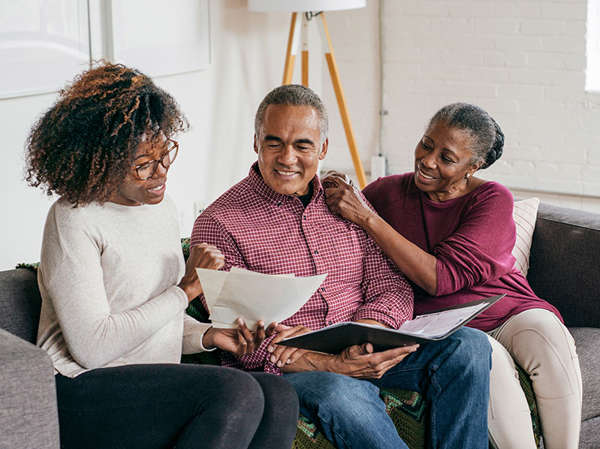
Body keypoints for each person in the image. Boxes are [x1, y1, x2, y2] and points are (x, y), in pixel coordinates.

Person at [191, 84, 492, 449]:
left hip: (362, 345)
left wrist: (365, 334)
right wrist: (331, 363)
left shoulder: (347, 204)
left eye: (302, 145)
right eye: (274, 142)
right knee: (341, 390)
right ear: (256, 142)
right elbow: (239, 339)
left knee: (469, 346)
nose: (287, 158)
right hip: (292, 370)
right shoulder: (219, 223)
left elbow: (392, 287)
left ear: (323, 148)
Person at [27, 63, 299, 449]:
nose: (160, 173)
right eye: (142, 164)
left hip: (147, 380)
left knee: (277, 395)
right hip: (77, 391)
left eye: (165, 153)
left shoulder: (162, 209)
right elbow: (94, 345)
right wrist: (185, 291)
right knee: (235, 392)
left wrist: (209, 336)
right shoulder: (73, 219)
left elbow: (151, 320)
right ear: (101, 160)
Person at [323, 102, 583, 449]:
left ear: (473, 166)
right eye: (427, 144)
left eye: (446, 158)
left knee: (549, 336)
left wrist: (369, 219)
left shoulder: (491, 198)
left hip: (507, 307)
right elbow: (336, 223)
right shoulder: (386, 193)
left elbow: (441, 278)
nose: (428, 161)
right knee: (488, 362)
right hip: (445, 325)